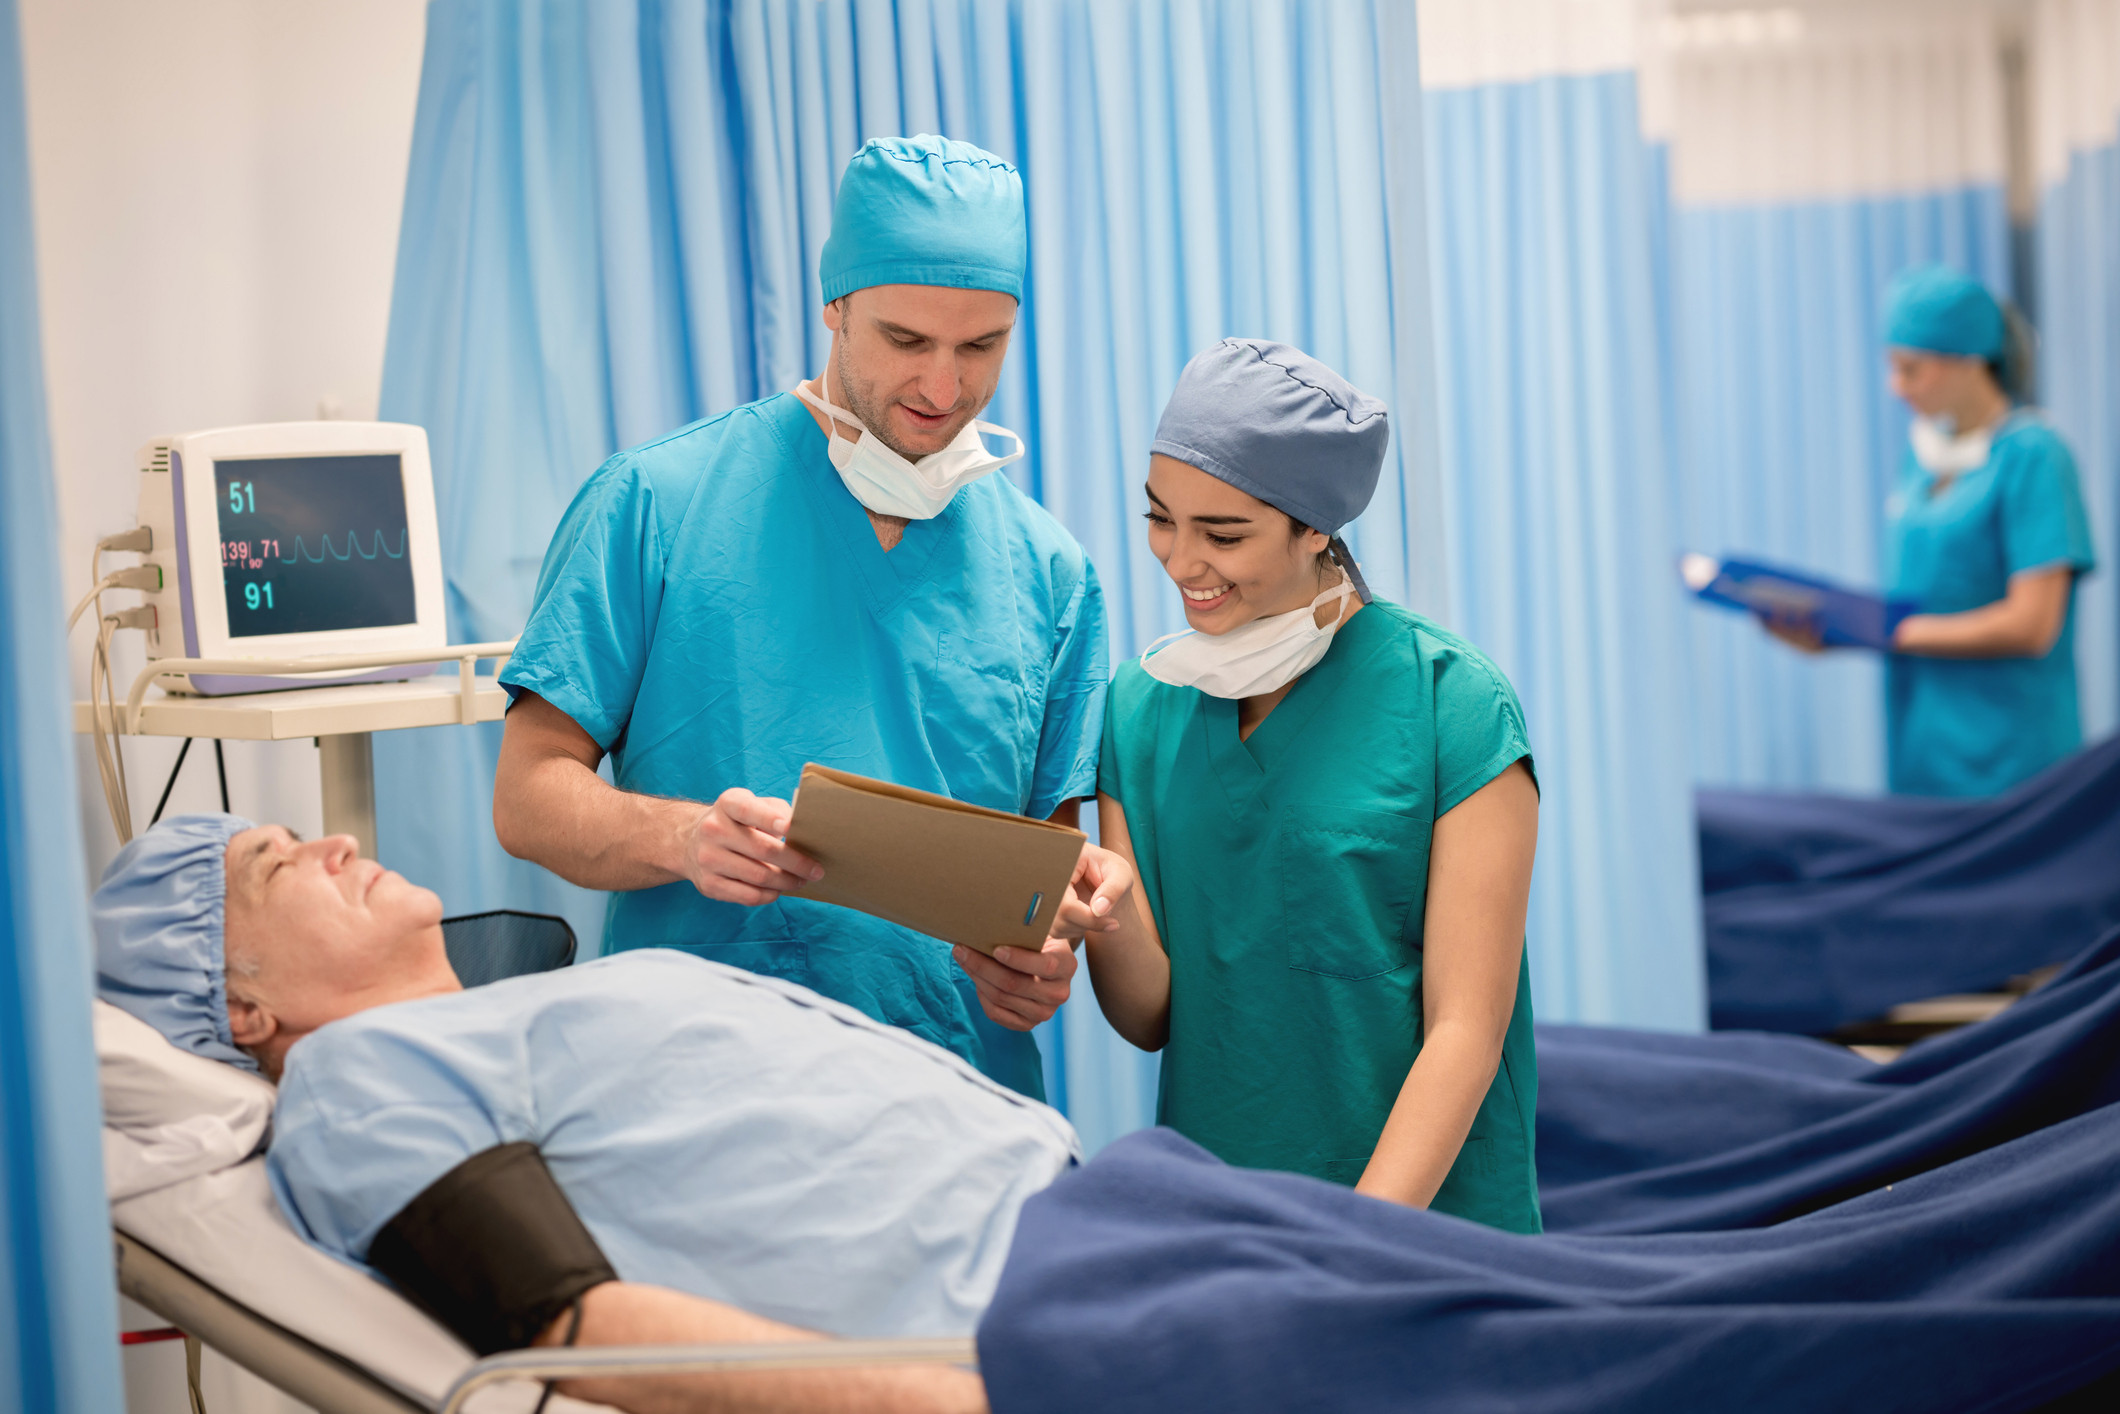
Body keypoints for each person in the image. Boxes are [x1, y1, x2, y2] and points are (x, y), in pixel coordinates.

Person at [490, 135, 1105, 1098]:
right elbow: (528, 800)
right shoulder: (655, 501)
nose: (943, 390)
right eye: (906, 341)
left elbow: (1042, 882)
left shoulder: (1052, 573)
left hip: (959, 1108)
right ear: (834, 305)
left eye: (979, 348)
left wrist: (1037, 967)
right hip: (705, 1094)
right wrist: (684, 838)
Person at [94, 814, 1074, 1414]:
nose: (335, 842)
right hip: (1027, 1310)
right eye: (280, 864)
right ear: (239, 1011)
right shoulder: (357, 1079)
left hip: (1095, 1211)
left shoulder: (484, 1024)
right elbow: (578, 1326)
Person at [955, 340, 1543, 1232]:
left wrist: (1355, 1245)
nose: (1181, 561)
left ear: (1317, 527)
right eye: (1161, 519)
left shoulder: (1450, 703)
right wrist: (1099, 902)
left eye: (1224, 534)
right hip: (1220, 1219)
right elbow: (1150, 1014)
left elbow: (1465, 1030)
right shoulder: (1142, 708)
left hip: (1428, 1230)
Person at [1772, 265, 2097, 797]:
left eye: (1910, 369)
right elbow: (1922, 604)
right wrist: (1834, 630)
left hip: (2011, 758)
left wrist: (1886, 633)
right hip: (1923, 747)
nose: (1895, 387)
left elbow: (2034, 625)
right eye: (1890, 368)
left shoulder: (2034, 458)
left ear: (1969, 360)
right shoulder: (1921, 461)